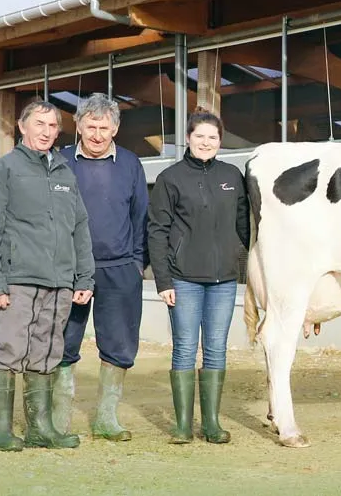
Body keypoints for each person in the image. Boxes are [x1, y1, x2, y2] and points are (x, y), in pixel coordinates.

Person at [0, 100, 94, 451]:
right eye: (39, 124)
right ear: (22, 127)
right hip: (18, 280)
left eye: (53, 126)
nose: (46, 131)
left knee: (47, 352)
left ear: (59, 131)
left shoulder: (64, 173)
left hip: (58, 282)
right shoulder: (3, 171)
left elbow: (80, 228)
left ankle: (40, 428)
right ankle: (0, 431)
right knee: (8, 350)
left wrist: (83, 278)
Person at [49, 94, 149, 442]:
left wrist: (137, 263)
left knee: (119, 344)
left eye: (104, 127)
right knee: (62, 341)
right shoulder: (59, 162)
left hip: (120, 269)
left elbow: (141, 217)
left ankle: (107, 419)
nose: (96, 134)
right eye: (90, 126)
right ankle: (59, 418)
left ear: (115, 130)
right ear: (77, 126)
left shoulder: (131, 164)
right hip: (68, 270)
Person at [148, 110, 250, 444]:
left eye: (213, 137)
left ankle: (211, 424)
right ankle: (181, 425)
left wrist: (241, 266)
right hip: (183, 279)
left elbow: (243, 227)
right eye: (199, 136)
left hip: (223, 280)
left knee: (217, 348)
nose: (206, 142)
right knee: (185, 348)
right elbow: (157, 231)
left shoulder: (233, 176)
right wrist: (163, 280)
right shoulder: (170, 178)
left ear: (220, 141)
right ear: (188, 138)